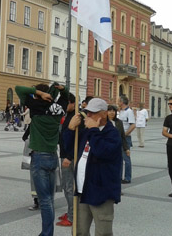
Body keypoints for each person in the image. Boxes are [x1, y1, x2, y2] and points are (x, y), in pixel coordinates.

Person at [15, 83, 69, 236]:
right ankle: (47, 232)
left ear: (39, 95)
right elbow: (67, 97)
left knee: (44, 201)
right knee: (49, 199)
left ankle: (47, 233)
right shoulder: (59, 108)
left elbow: (19, 88)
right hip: (53, 156)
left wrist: (38, 92)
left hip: (39, 156)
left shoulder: (35, 105)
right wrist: (62, 90)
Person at [64, 98, 122, 236]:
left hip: (101, 191)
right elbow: (69, 148)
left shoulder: (112, 134)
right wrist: (70, 129)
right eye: (87, 112)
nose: (88, 116)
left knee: (103, 232)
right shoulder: (87, 131)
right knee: (79, 231)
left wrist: (94, 130)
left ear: (104, 114)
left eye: (92, 113)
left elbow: (101, 151)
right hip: (83, 190)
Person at [56, 93, 76, 227]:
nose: (64, 106)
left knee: (69, 187)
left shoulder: (75, 117)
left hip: (69, 157)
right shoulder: (68, 115)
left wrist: (69, 157)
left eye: (66, 103)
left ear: (73, 103)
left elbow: (75, 140)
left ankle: (72, 217)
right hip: (64, 154)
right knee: (65, 185)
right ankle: (70, 211)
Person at [117, 95, 135, 184]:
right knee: (119, 158)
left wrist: (124, 134)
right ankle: (119, 176)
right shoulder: (121, 111)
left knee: (126, 158)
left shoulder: (129, 112)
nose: (117, 102)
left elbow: (133, 125)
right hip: (119, 137)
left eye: (118, 101)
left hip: (125, 137)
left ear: (122, 102)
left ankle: (127, 177)